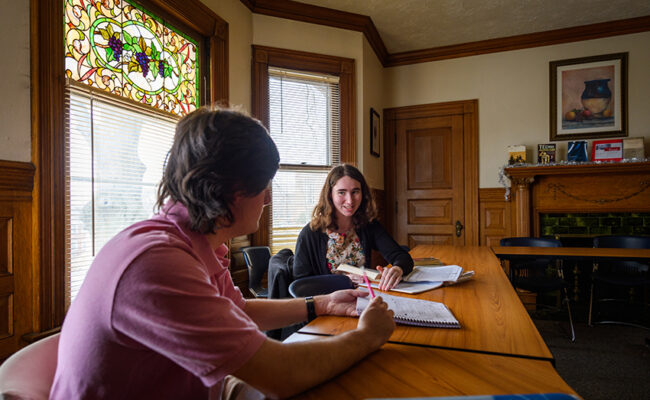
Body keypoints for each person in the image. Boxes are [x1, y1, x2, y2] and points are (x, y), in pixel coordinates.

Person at [50, 107, 395, 399]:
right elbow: (281, 374)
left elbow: (238, 309)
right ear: (234, 192)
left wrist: (320, 304)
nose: (269, 199)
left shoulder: (198, 241)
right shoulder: (156, 263)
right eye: (264, 187)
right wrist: (367, 336)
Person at [293, 164, 414, 290]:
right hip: (327, 305)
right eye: (341, 192)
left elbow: (402, 257)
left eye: (355, 191)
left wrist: (397, 269)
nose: (350, 200)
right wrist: (342, 281)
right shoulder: (310, 233)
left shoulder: (368, 225)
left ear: (363, 193)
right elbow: (300, 284)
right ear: (330, 195)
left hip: (362, 298)